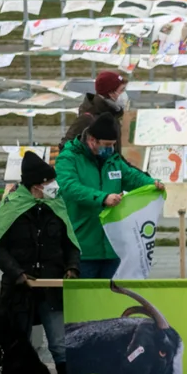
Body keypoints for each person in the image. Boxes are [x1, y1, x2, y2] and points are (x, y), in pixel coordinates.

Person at [0, 152, 78, 374]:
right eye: (50, 182)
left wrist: (72, 267)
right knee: (16, 349)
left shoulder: (57, 205)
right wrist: (17, 273)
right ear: (37, 185)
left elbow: (71, 243)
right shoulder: (12, 206)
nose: (54, 186)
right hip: (19, 291)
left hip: (52, 289)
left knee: (61, 346)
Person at [54, 113, 154, 281]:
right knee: (86, 296)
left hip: (113, 249)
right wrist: (102, 198)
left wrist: (153, 184)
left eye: (113, 145)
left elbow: (132, 177)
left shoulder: (113, 160)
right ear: (92, 140)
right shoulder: (69, 158)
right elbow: (69, 187)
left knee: (113, 296)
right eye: (107, 145)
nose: (111, 149)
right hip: (83, 248)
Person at [61, 71, 127, 146]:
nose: (124, 93)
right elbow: (66, 146)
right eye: (122, 90)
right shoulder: (88, 119)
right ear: (111, 93)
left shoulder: (113, 115)